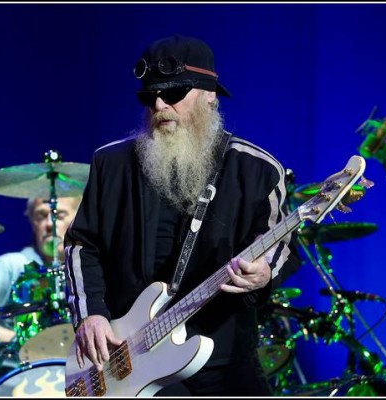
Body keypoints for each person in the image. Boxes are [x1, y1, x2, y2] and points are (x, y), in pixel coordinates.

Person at [64, 34, 300, 396]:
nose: (160, 104)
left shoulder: (257, 169)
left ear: (210, 94)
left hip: (221, 357)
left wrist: (265, 271)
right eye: (150, 97)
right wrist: (91, 314)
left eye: (173, 94)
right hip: (128, 359)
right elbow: (82, 244)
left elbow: (277, 241)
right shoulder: (110, 164)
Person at [0, 196, 81, 347]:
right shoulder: (10, 266)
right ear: (32, 222)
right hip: (16, 367)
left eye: (58, 215)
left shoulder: (89, 274)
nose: (49, 224)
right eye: (41, 216)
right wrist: (25, 343)